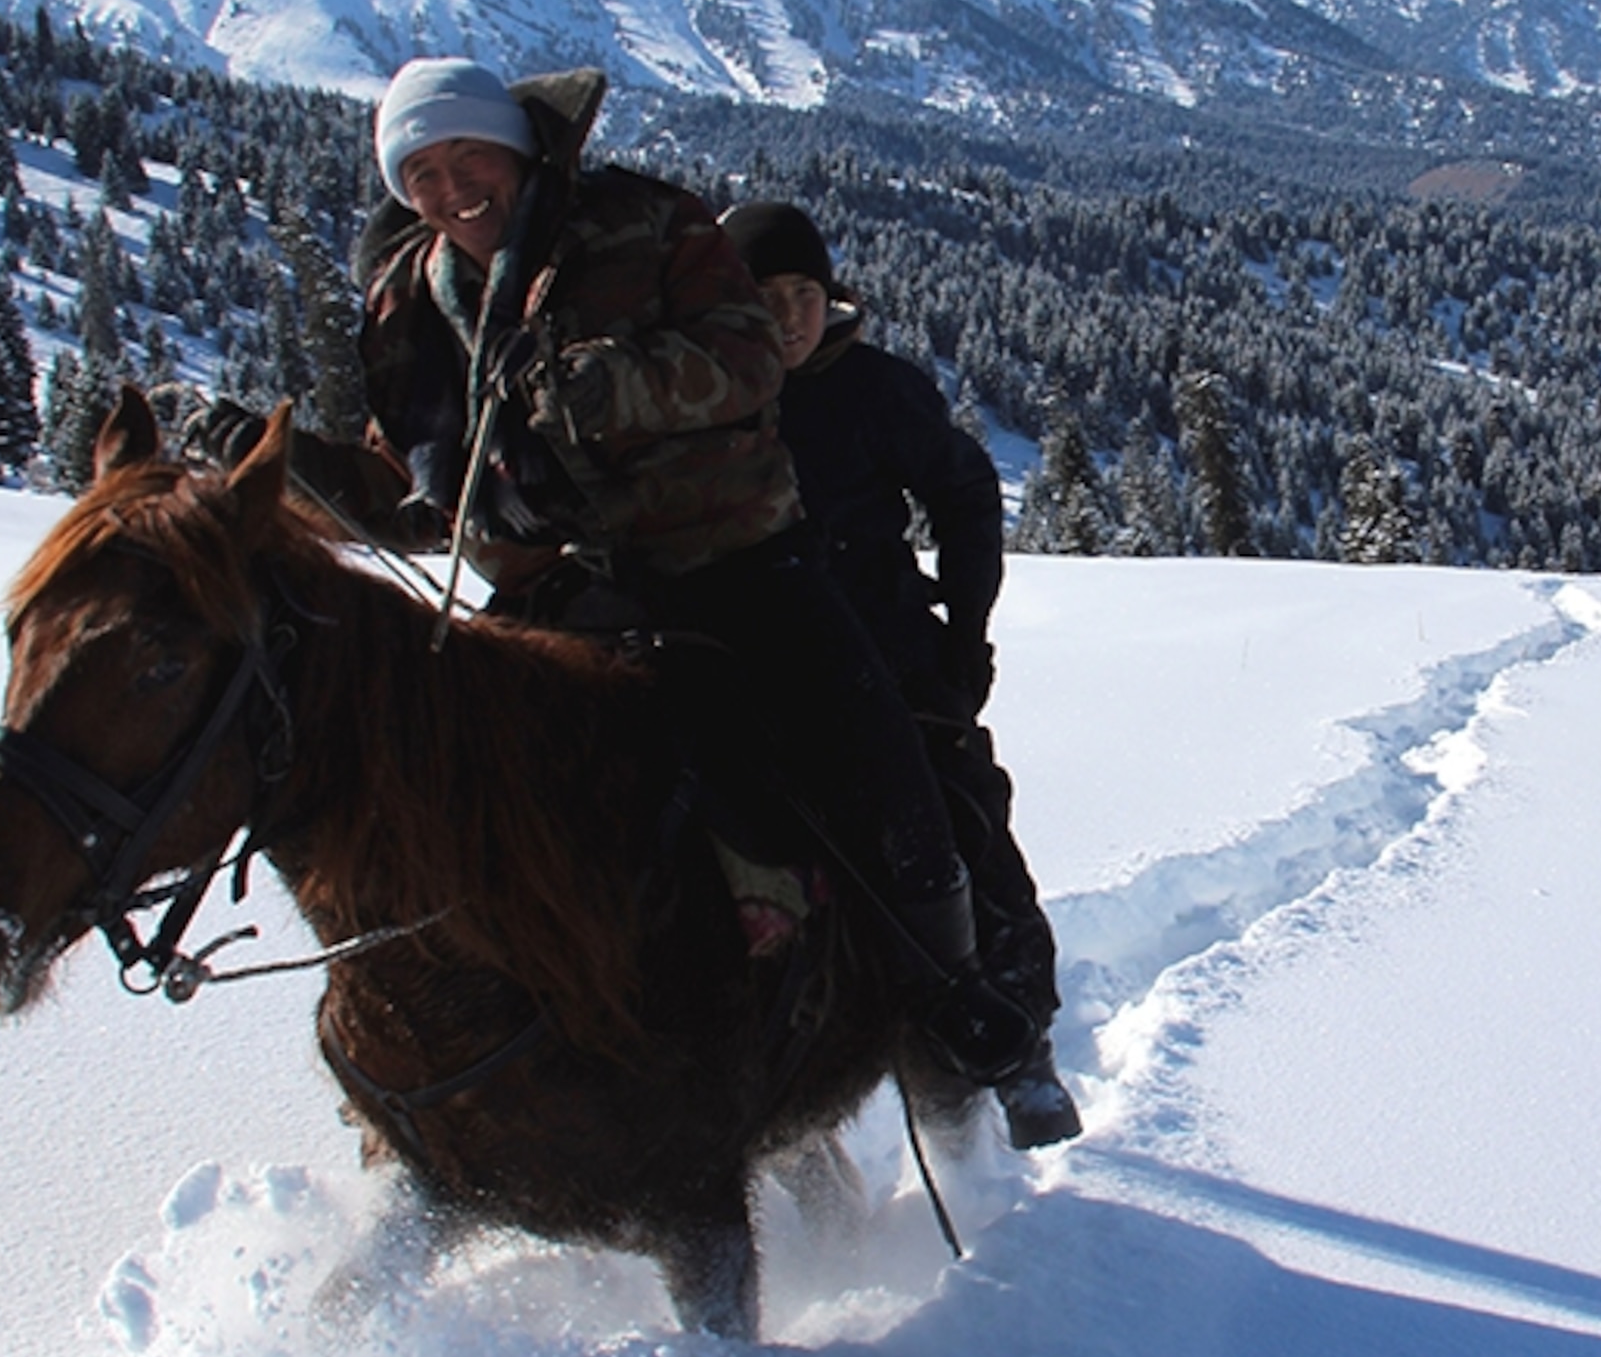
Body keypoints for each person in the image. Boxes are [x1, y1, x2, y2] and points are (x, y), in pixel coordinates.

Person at [341, 57, 1044, 1092]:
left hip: (733, 558)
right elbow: (399, 459)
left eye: (466, 156)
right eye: (422, 175)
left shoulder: (642, 221)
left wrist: (604, 388)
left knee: (888, 763)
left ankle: (952, 990)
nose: (451, 190)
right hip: (561, 580)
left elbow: (747, 354)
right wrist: (283, 473)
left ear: (519, 146)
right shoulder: (417, 292)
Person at [723, 200, 1079, 1148]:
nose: (791, 316)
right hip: (743, 656)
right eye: (766, 296)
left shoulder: (875, 389)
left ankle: (1010, 1036)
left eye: (806, 293)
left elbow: (963, 494)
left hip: (884, 648)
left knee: (956, 812)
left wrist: (964, 627)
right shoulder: (701, 397)